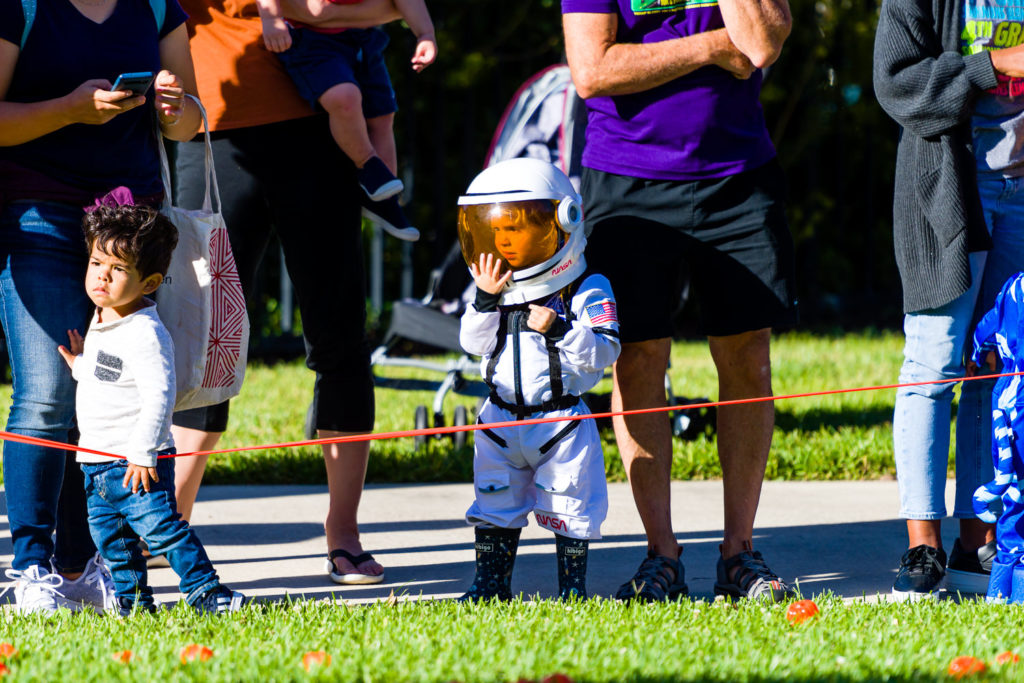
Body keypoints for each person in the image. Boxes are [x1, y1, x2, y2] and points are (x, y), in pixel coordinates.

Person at [561, 0, 798, 602]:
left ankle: (739, 553)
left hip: (739, 173)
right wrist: (710, 48)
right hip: (628, 178)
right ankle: (659, 555)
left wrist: (731, 39)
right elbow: (592, 70)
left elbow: (764, 43)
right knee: (638, 361)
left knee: (748, 359)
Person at [168, 0, 401, 586]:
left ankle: (343, 534)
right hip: (211, 131)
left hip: (317, 130)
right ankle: (166, 524)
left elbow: (387, 9)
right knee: (203, 337)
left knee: (340, 333)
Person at [0, 0, 200, 614]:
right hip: (39, 216)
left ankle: (84, 565)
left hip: (131, 227)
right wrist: (70, 110)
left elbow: (189, 123)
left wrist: (174, 108)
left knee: (111, 394)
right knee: (47, 394)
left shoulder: (159, 7)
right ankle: (31, 566)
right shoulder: (22, 6)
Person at [873, 0, 1024, 600]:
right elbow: (898, 84)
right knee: (934, 365)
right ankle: (924, 546)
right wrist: (990, 66)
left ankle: (977, 542)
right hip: (949, 187)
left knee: (1002, 365)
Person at [57, 204, 246, 615]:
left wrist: (144, 454)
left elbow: (160, 395)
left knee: (164, 533)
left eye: (118, 268)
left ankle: (207, 592)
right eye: (96, 261)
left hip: (136, 462)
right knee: (113, 543)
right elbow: (112, 374)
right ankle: (134, 604)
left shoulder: (145, 332)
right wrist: (81, 367)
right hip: (96, 464)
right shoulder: (104, 316)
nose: (102, 275)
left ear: (150, 281)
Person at [456, 158, 620, 601]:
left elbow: (605, 351)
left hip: (561, 424)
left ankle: (571, 592)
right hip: (500, 421)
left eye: (517, 229)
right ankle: (489, 589)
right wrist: (485, 301)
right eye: (495, 231)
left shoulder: (586, 288)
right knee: (493, 505)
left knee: (570, 508)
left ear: (560, 224)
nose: (504, 241)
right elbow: (473, 344)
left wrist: (563, 330)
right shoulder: (495, 291)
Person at [255, 0, 435, 242]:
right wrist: (271, 18)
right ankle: (368, 165)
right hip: (311, 40)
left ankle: (384, 203)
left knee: (382, 116)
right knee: (344, 97)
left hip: (361, 38)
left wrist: (425, 33)